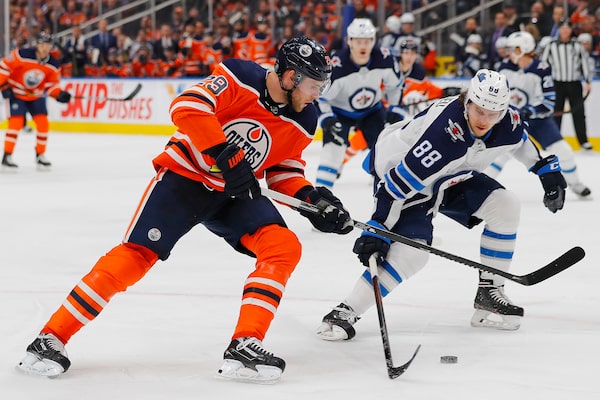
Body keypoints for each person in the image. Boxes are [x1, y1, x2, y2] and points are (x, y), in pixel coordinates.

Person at [16, 36, 353, 383]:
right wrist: (224, 153)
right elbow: (187, 106)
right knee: (136, 256)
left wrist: (313, 201)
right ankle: (49, 338)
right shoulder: (239, 76)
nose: (317, 94)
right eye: (314, 85)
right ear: (291, 77)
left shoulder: (305, 117)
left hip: (233, 194)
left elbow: (283, 170)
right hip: (184, 179)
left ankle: (244, 344)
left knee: (282, 246)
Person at [316, 69, 569, 341]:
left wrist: (544, 169)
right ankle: (345, 312)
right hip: (400, 173)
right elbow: (396, 187)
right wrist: (378, 227)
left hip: (450, 174)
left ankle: (490, 293)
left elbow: (519, 140)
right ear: (468, 101)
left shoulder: (507, 119)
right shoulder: (444, 136)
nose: (484, 120)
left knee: (505, 205)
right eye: (479, 111)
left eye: (493, 114)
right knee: (413, 253)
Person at [489, 31, 591, 197]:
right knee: (501, 155)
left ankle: (575, 184)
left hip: (540, 121)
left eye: (514, 49)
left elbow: (549, 102)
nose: (509, 53)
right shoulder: (504, 67)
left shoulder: (541, 69)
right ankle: (480, 191)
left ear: (524, 49)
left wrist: (530, 110)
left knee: (564, 151)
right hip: (514, 121)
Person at [315, 18, 404, 189]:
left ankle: (390, 193)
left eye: (367, 41)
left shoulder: (384, 58)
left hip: (372, 111)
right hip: (340, 113)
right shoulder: (336, 65)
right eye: (358, 41)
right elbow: (320, 96)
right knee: (332, 152)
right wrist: (327, 117)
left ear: (373, 41)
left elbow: (396, 86)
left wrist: (395, 109)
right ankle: (320, 195)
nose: (363, 46)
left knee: (385, 152)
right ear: (349, 41)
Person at [0, 32, 72, 169]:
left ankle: (40, 155)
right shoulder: (22, 54)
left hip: (36, 96)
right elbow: (3, 67)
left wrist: (59, 95)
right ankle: (7, 155)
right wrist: (3, 86)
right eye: (42, 44)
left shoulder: (53, 64)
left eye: (47, 45)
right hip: (16, 93)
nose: (45, 48)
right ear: (37, 44)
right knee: (16, 123)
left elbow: (51, 86)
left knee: (43, 123)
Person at [542, 20, 594, 151]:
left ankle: (583, 141)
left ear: (571, 30)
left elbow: (584, 63)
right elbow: (544, 65)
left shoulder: (577, 45)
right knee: (556, 113)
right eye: (562, 28)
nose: (565, 30)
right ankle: (553, 140)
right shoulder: (551, 45)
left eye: (567, 28)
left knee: (578, 113)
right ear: (559, 29)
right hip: (557, 84)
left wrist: (588, 81)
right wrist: (543, 82)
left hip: (574, 83)